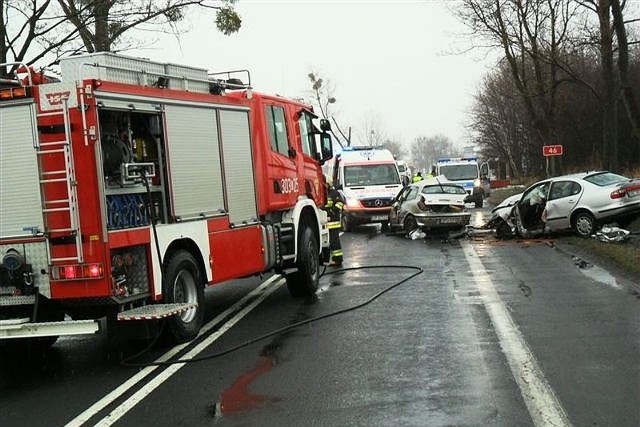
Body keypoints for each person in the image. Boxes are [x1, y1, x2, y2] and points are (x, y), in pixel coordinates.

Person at [324, 179, 345, 266]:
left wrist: (332, 211)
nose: (324, 185)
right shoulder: (323, 194)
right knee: (328, 242)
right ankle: (333, 259)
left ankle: (338, 260)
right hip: (325, 222)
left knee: (334, 241)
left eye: (325, 184)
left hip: (333, 222)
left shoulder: (334, 193)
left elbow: (341, 203)